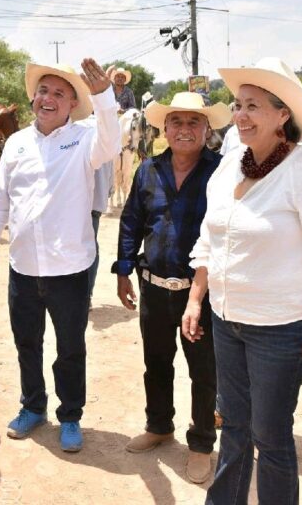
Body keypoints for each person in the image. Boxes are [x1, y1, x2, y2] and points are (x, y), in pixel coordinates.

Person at [181, 57, 302, 504]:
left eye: (254, 106)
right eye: (238, 105)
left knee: (271, 435)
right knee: (234, 427)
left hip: (282, 328)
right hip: (227, 321)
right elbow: (209, 237)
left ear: (284, 115)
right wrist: (195, 298)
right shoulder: (229, 167)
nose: (240, 116)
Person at [0, 59, 121, 452]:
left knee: (70, 347)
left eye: (59, 93)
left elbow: (113, 141)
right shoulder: (16, 143)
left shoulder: (86, 138)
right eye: (43, 90)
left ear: (72, 103)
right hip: (23, 267)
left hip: (69, 269)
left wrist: (104, 97)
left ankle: (70, 416)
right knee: (27, 343)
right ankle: (32, 407)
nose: (48, 98)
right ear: (33, 98)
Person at [115, 92, 231, 484]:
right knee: (157, 363)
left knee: (203, 370)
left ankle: (200, 444)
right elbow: (132, 221)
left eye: (193, 122)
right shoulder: (148, 169)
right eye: (176, 122)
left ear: (207, 129)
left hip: (201, 292)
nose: (184, 129)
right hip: (153, 288)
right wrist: (124, 269)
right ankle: (159, 425)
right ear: (164, 128)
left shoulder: (222, 171)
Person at [88, 157, 114, 308]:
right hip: (96, 204)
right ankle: (87, 294)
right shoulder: (106, 139)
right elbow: (110, 182)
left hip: (80, 206)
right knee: (91, 247)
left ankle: (84, 295)